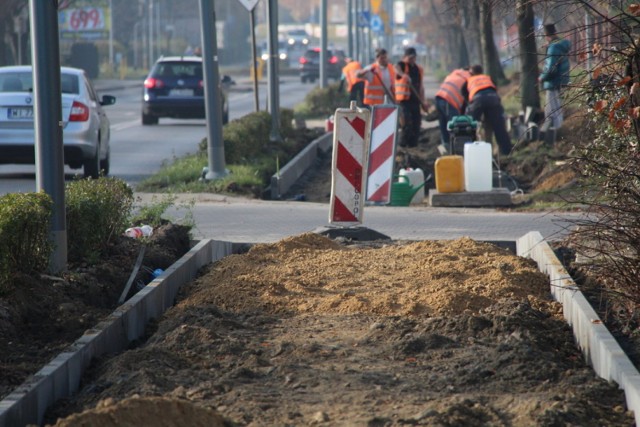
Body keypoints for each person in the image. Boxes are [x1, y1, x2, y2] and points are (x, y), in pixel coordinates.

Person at [462, 64, 512, 156]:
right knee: (499, 127)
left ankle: (468, 149)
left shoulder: (469, 80)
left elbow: (464, 94)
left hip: (478, 99)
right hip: (493, 98)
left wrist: (471, 109)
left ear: (472, 73)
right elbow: (494, 89)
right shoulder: (487, 77)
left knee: (469, 125)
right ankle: (507, 152)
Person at [394, 47, 430, 147]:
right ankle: (402, 146)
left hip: (415, 101)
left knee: (416, 125)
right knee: (406, 124)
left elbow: (421, 87)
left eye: (413, 57)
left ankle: (413, 147)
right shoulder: (402, 65)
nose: (411, 59)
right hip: (404, 102)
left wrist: (423, 102)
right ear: (404, 57)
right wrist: (403, 75)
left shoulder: (419, 69)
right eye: (409, 57)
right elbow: (395, 68)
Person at [539, 23, 571, 134]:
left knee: (553, 109)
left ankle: (557, 131)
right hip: (561, 78)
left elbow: (551, 69)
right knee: (553, 107)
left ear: (546, 35)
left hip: (553, 81)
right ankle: (552, 131)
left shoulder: (553, 48)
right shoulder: (560, 45)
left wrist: (541, 78)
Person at [435, 67, 471, 151]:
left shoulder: (454, 74)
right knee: (456, 127)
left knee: (444, 124)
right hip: (449, 101)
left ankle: (445, 148)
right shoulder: (469, 79)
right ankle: (456, 149)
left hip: (439, 97)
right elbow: (466, 100)